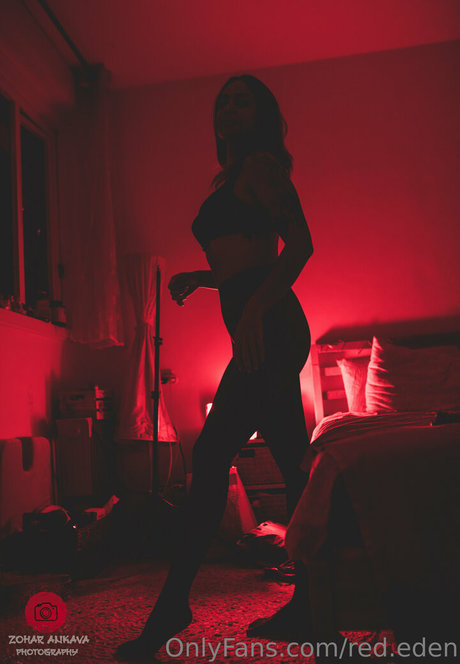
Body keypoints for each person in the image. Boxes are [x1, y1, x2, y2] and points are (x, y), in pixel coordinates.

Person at [115, 74, 314, 661]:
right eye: (222, 101)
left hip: (270, 330)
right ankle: (312, 602)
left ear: (262, 114)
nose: (228, 108)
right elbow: (246, 259)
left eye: (241, 100)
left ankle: (172, 606)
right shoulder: (233, 178)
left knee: (208, 457)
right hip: (260, 328)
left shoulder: (261, 167)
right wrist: (204, 279)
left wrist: (252, 310)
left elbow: (300, 246)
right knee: (295, 465)